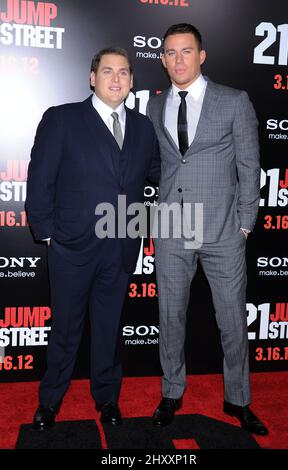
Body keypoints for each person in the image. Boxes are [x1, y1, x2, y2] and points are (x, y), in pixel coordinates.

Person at [26, 47, 160, 430]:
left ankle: (107, 399)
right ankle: (50, 401)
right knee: (66, 329)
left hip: (121, 245)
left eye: (123, 73)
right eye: (107, 71)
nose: (115, 79)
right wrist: (47, 233)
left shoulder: (143, 127)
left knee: (109, 327)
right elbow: (40, 180)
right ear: (92, 78)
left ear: (132, 81)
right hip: (71, 247)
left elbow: (156, 173)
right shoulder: (62, 119)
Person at [147, 23, 268, 435]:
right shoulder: (154, 106)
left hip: (223, 231)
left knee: (232, 320)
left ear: (202, 55)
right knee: (170, 316)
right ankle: (171, 391)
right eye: (169, 53)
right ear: (162, 59)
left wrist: (245, 226)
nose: (177, 59)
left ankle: (239, 400)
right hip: (171, 229)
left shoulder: (234, 101)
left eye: (185, 51)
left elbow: (250, 167)